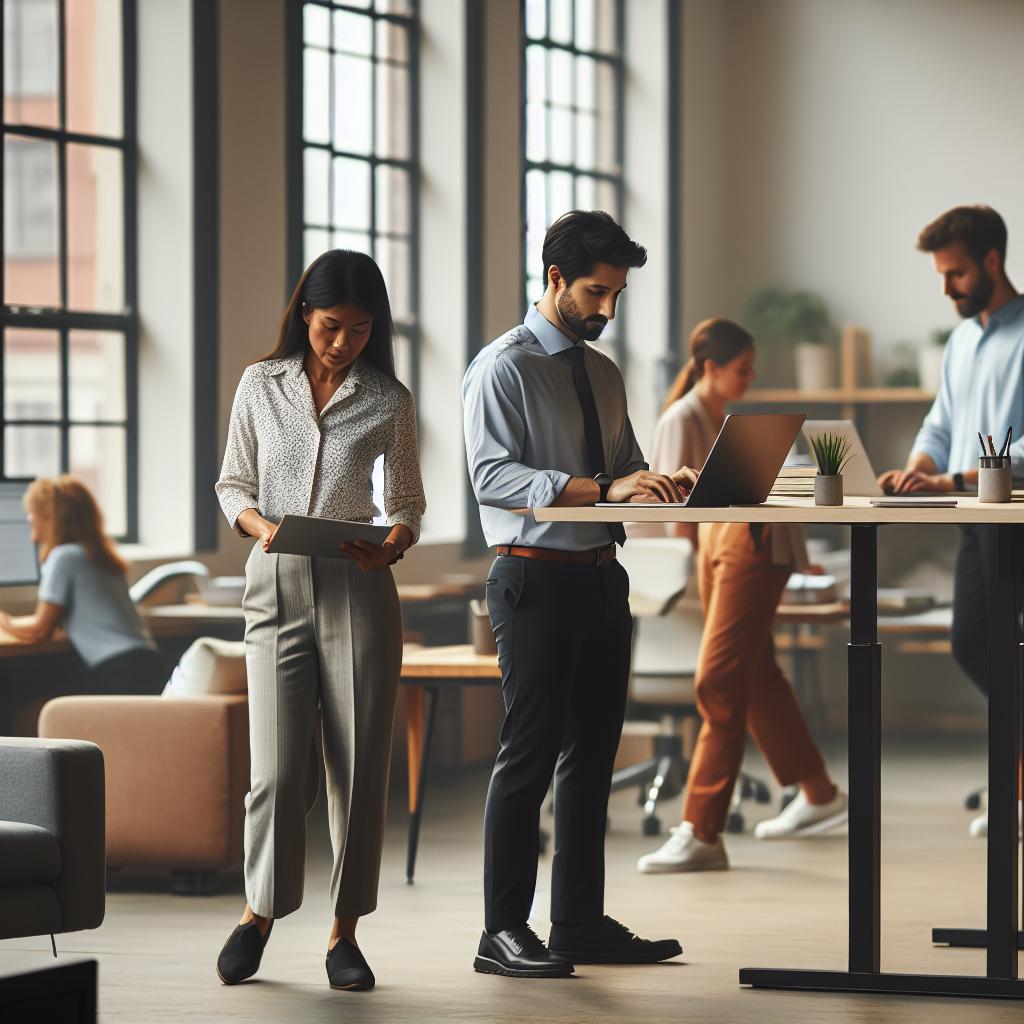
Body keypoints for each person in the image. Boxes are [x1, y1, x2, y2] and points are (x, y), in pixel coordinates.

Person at [463, 210, 695, 979]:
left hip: (602, 579)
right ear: (554, 278)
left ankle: (578, 923)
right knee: (526, 758)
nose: (608, 310)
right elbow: (492, 477)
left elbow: (625, 468)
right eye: (597, 292)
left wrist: (665, 484)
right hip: (533, 577)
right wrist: (600, 486)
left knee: (593, 758)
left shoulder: (603, 372)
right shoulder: (503, 367)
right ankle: (501, 931)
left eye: (618, 295)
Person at [211, 249, 424, 992]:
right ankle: (259, 911)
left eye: (360, 331)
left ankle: (345, 935)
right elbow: (232, 481)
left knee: (360, 771)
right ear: (305, 314)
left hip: (357, 590)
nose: (342, 343)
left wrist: (392, 545)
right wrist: (260, 526)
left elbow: (406, 503)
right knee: (273, 771)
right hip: (273, 587)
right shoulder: (258, 385)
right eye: (332, 326)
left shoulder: (388, 399)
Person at [879, 204, 1024, 837]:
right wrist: (918, 466)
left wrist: (951, 479)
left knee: (987, 643)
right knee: (977, 642)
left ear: (993, 261)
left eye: (958, 273)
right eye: (942, 275)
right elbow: (941, 421)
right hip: (970, 512)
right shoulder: (963, 341)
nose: (948, 288)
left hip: (1014, 513)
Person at [636, 319, 848, 874]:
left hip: (743, 547)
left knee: (726, 679)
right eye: (743, 368)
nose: (752, 378)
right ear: (711, 368)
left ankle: (702, 829)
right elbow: (674, 515)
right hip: (712, 554)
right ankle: (819, 794)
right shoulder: (684, 418)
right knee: (746, 675)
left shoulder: (720, 418)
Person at [0, 476, 161, 693]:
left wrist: (5, 622)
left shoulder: (64, 557)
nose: (30, 519)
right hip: (146, 661)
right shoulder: (97, 557)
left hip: (118, 669)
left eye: (33, 514)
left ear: (51, 519)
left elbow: (41, 629)